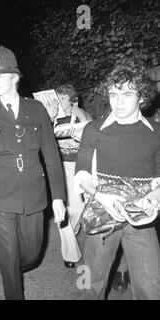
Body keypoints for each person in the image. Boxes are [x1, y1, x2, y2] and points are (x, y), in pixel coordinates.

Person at [0, 46, 66, 300]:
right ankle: (9, 274)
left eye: (1, 75)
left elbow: (52, 157)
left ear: (15, 77)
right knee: (10, 261)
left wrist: (58, 197)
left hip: (34, 194)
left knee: (33, 253)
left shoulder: (36, 110)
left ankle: (7, 265)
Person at [74, 60, 160, 299]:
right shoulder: (94, 129)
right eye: (113, 94)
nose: (118, 102)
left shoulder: (156, 133)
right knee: (89, 284)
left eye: (127, 94)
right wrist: (102, 196)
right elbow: (81, 173)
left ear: (141, 96)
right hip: (102, 212)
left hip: (140, 219)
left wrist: (155, 196)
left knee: (151, 287)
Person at [52, 84, 90, 269]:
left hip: (80, 165)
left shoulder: (80, 115)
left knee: (79, 209)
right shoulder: (52, 117)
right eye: (57, 98)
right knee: (64, 211)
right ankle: (70, 254)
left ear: (73, 100)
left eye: (63, 98)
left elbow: (93, 138)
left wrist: (80, 114)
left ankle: (71, 234)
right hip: (60, 167)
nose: (58, 102)